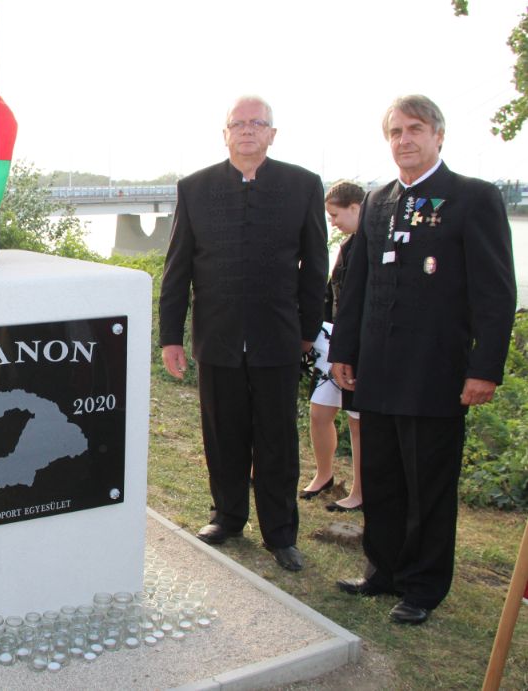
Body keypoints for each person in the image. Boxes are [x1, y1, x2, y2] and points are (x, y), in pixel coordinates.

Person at [330, 95, 516, 625]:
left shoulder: (472, 198)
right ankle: (383, 570)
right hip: (377, 370)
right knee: (381, 476)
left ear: (438, 135)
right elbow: (357, 286)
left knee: (428, 486)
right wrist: (344, 351)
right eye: (395, 131)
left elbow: (496, 293)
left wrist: (484, 368)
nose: (404, 139)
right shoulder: (378, 201)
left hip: (436, 373)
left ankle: (423, 587)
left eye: (415, 129)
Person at [160, 95, 328, 572]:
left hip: (279, 337)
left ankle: (281, 534)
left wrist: (307, 329)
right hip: (217, 337)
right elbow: (178, 268)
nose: (248, 130)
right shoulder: (195, 188)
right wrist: (170, 336)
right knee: (223, 435)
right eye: (239, 123)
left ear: (272, 133)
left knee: (277, 440)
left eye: (258, 123)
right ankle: (228, 517)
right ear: (225, 133)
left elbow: (316, 266)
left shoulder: (302, 185)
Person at [301, 181, 364, 512]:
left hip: (358, 347)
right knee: (319, 411)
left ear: (355, 207)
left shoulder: (371, 245)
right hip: (332, 342)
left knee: (357, 420)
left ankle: (359, 491)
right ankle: (324, 475)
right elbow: (331, 293)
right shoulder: (348, 245)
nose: (333, 223)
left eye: (335, 215)